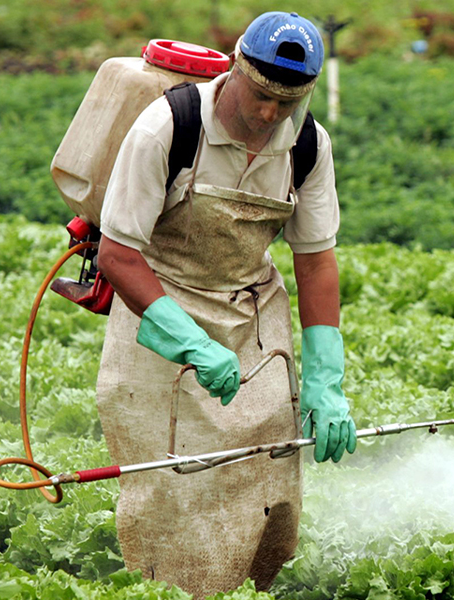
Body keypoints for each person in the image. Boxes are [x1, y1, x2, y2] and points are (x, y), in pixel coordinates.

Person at [94, 12, 355, 597]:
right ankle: (170, 588)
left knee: (268, 478)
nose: (268, 115)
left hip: (252, 316)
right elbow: (118, 256)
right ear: (236, 68)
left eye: (284, 104)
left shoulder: (308, 145)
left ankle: (252, 586)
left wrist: (327, 377)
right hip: (159, 311)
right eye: (260, 96)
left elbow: (315, 260)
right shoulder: (168, 126)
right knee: (176, 488)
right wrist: (189, 343)